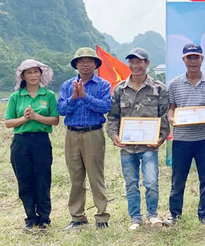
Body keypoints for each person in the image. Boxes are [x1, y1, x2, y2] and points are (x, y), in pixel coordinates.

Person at [107, 48, 170, 230]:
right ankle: (135, 218)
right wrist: (114, 135)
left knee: (151, 182)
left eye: (139, 62)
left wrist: (160, 138)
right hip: (127, 147)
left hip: (149, 146)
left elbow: (164, 116)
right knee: (131, 183)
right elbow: (112, 117)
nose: (135, 66)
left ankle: (152, 215)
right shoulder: (119, 90)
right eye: (132, 62)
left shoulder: (159, 89)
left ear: (147, 63)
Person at [163, 43, 205, 226]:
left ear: (202, 59)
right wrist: (171, 119)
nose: (193, 61)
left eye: (196, 57)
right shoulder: (174, 84)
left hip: (204, 138)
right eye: (189, 57)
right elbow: (171, 109)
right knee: (178, 179)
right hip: (181, 139)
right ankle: (174, 214)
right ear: (183, 60)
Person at [57, 47, 111, 230]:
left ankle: (102, 217)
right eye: (81, 61)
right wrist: (74, 98)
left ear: (95, 64)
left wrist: (85, 97)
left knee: (96, 176)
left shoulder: (103, 85)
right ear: (76, 65)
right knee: (76, 177)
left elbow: (105, 107)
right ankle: (77, 217)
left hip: (93, 133)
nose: (85, 64)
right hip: (72, 134)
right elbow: (61, 110)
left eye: (89, 61)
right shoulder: (67, 85)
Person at [5, 60, 59, 231]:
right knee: (25, 180)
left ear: (41, 74)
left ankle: (44, 218)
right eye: (29, 73)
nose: (33, 75)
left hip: (41, 140)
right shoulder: (16, 96)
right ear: (23, 76)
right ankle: (30, 217)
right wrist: (25, 118)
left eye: (36, 72)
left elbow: (55, 120)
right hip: (20, 142)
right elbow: (8, 123)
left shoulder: (48, 95)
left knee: (42, 179)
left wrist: (36, 117)